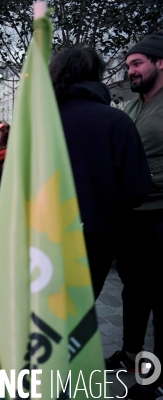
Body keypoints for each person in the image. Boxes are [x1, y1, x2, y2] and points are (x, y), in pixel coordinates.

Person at [49, 46, 150, 300]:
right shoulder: (117, 122)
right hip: (95, 239)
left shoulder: (39, 122)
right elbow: (136, 189)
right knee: (79, 310)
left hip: (43, 236)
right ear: (97, 75)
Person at [105, 32, 163, 400]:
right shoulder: (132, 106)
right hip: (131, 217)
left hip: (159, 215)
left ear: (160, 63)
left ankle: (155, 376)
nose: (131, 71)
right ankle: (130, 354)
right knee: (134, 290)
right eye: (127, 65)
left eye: (137, 63)